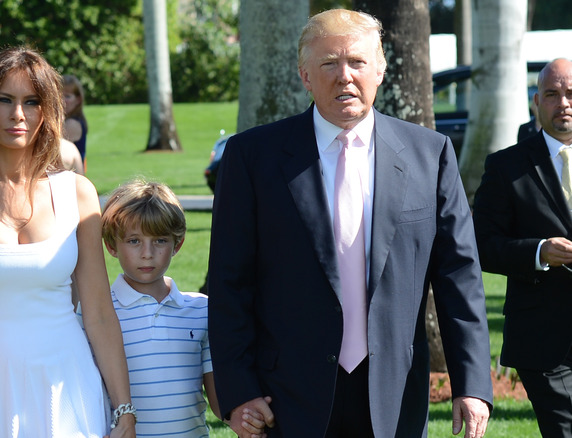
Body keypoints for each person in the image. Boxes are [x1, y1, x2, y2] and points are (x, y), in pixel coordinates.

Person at [207, 8, 493, 438]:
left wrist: (471, 385)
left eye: (357, 62)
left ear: (379, 70)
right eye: (328, 64)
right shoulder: (252, 158)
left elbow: (459, 276)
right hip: (285, 396)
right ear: (305, 75)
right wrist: (239, 392)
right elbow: (229, 283)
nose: (345, 76)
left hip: (393, 394)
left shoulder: (429, 154)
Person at [0, 46, 135, 438]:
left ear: (47, 111)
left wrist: (123, 409)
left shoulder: (78, 194)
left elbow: (99, 313)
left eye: (31, 102)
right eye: (5, 100)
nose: (18, 114)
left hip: (67, 387)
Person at [96, 179, 267, 437]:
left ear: (178, 244)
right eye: (133, 241)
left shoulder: (202, 310)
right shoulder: (98, 314)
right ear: (111, 245)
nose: (147, 253)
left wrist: (242, 416)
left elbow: (219, 397)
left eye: (160, 240)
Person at [473, 57, 572, 437]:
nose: (563, 103)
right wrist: (539, 252)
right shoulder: (505, 166)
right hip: (544, 339)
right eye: (552, 94)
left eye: (570, 94)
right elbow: (481, 245)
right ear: (536, 102)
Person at [62, 75, 88, 167]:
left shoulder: (72, 124)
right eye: (59, 95)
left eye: (67, 96)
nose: (62, 100)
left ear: (78, 100)